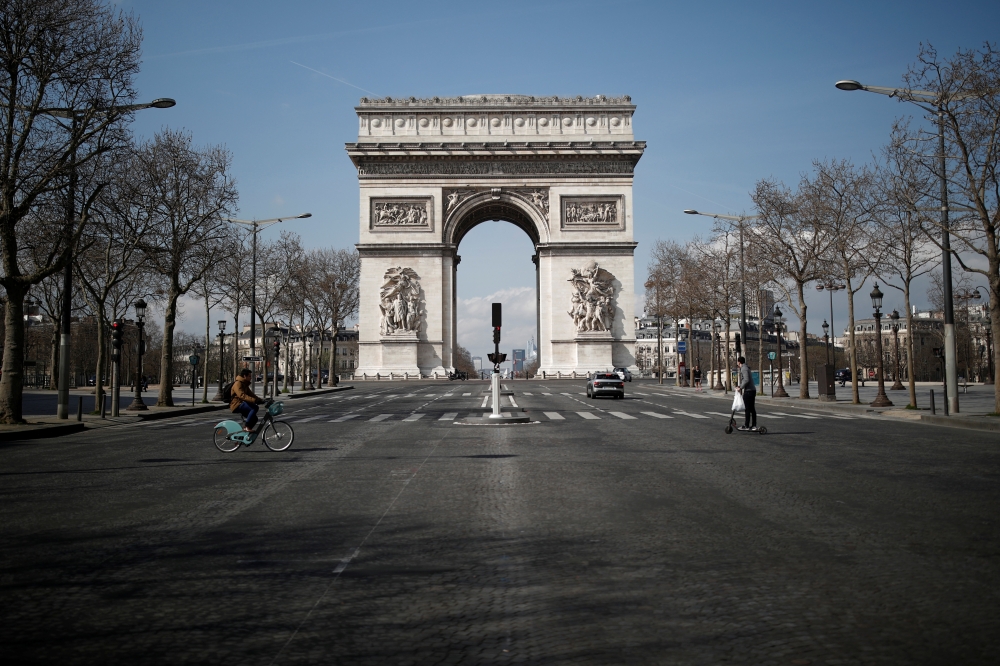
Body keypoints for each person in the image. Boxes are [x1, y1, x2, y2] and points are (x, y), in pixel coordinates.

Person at [230, 368, 265, 432]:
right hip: (236, 404)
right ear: (244, 376)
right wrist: (254, 401)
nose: (251, 378)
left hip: (241, 403)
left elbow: (251, 394)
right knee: (254, 407)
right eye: (249, 376)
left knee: (254, 419)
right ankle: (246, 427)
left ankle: (246, 435)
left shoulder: (244, 384)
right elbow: (242, 395)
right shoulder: (238, 384)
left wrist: (261, 400)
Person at [736, 356, 757, 431]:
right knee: (752, 409)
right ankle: (754, 425)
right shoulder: (746, 367)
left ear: (739, 362)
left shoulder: (744, 368)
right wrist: (740, 386)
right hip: (751, 390)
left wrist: (740, 387)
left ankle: (746, 425)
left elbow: (746, 379)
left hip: (749, 391)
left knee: (747, 408)